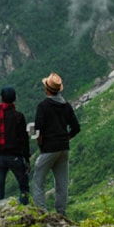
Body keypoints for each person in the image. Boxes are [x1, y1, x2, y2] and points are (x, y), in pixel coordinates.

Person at [32, 72, 81, 216]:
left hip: (49, 148)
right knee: (61, 182)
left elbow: (38, 130)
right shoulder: (66, 106)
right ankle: (61, 213)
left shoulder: (43, 106)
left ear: (47, 89)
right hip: (64, 148)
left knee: (38, 180)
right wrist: (66, 138)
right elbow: (76, 128)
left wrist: (41, 145)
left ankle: (42, 212)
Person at [0, 86, 30, 205]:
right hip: (15, 157)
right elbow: (24, 140)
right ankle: (23, 212)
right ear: (15, 99)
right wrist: (27, 159)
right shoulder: (18, 116)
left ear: (1, 98)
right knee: (24, 187)